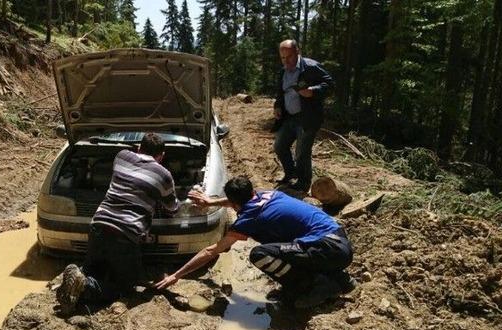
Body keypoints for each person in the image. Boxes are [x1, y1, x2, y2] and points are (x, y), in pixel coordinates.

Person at [155, 176, 355, 309]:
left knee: (260, 254)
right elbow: (237, 201)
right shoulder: (267, 194)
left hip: (328, 248)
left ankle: (314, 285)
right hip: (337, 240)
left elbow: (212, 251)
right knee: (278, 243)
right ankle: (336, 277)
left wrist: (176, 275)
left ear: (235, 203)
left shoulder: (248, 219)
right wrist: (211, 202)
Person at [56, 133, 180, 312]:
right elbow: (172, 209)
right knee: (125, 287)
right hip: (126, 234)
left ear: (139, 148)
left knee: (94, 270)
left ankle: (79, 282)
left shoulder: (121, 156)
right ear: (161, 156)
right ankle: (85, 286)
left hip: (99, 224)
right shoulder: (164, 175)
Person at [273, 39, 334, 193]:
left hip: (307, 117)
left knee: (301, 153)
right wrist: (278, 106)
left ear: (297, 52)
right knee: (280, 146)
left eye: (289, 57)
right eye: (282, 58)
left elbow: (330, 84)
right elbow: (281, 92)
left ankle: (303, 183)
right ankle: (290, 174)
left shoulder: (311, 67)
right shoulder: (283, 71)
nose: (286, 61)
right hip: (289, 117)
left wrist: (313, 91)